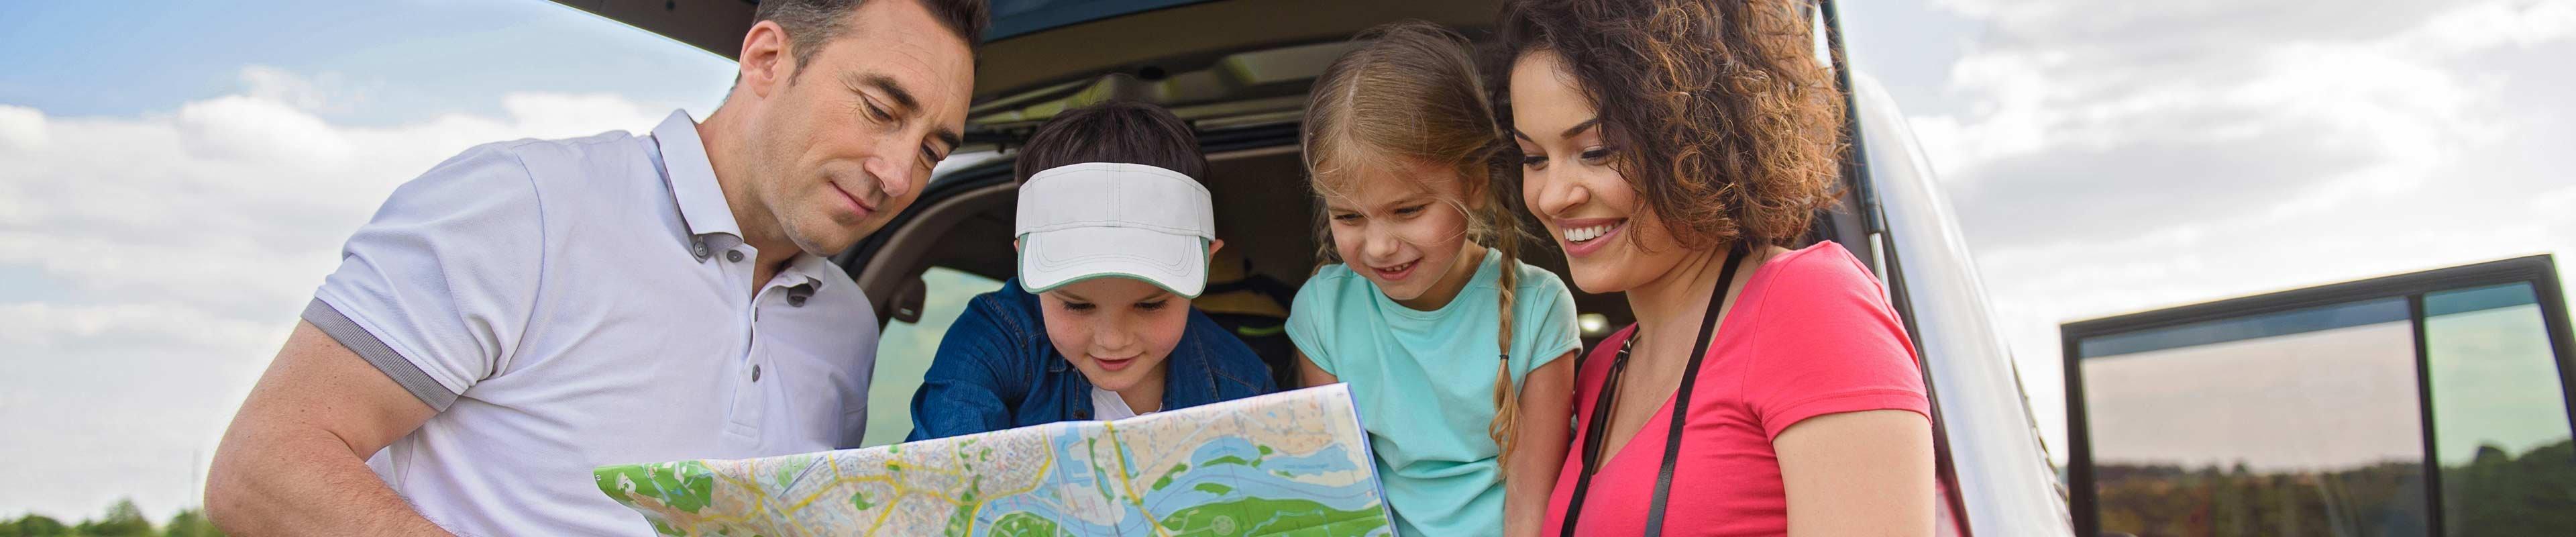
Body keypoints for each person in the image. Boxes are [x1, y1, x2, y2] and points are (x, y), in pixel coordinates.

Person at [200, 1, 987, 534]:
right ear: (768, 57)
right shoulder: (525, 204)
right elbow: (262, 467)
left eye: (931, 148)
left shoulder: (846, 321)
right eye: (881, 110)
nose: (897, 172)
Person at [1496, 0, 1937, 534]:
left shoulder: (1808, 306)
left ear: (1700, 137)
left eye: (1595, 150)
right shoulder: (1603, 370)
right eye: (1534, 159)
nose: (1553, 196)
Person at [1286, 21, 1582, 537]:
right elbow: (1341, 498)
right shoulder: (1322, 313)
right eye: (1350, 217)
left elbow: (1530, 512)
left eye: (1407, 210)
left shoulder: (1540, 308)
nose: (1378, 246)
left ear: (1473, 184)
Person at [906, 100, 1275, 440]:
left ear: (1206, 265)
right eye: (1077, 305)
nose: (1113, 340)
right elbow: (941, 487)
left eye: (1150, 305)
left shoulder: (1241, 387)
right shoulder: (995, 342)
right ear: (1022, 262)